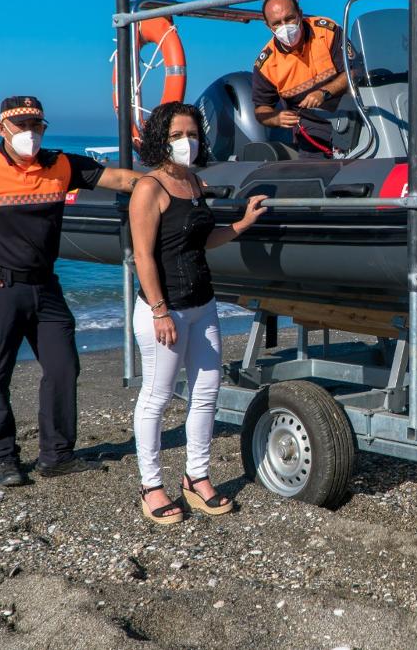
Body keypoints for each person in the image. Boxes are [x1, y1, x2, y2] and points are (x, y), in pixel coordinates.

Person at [0, 96, 141, 487]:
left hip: (46, 286)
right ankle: (3, 459)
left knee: (63, 367)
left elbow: (121, 179)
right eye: (21, 126)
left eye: (36, 126)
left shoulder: (61, 165)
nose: (29, 133)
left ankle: (56, 455)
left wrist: (169, 179)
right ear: (1, 129)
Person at [128, 101, 268, 524]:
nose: (185, 142)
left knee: (206, 393)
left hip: (203, 305)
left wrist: (241, 225)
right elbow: (144, 256)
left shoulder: (193, 182)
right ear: (159, 140)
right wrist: (159, 311)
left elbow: (198, 242)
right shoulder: (149, 189)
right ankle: (151, 486)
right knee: (156, 398)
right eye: (175, 136)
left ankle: (197, 478)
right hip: (163, 310)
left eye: (191, 134)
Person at [252, 0, 353, 156]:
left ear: (300, 14)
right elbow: (261, 109)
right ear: (268, 26)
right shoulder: (266, 65)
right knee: (314, 172)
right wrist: (276, 118)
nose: (284, 27)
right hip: (312, 128)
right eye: (277, 23)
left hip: (353, 114)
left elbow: (354, 71)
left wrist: (325, 92)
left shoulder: (326, 30)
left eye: (289, 19)